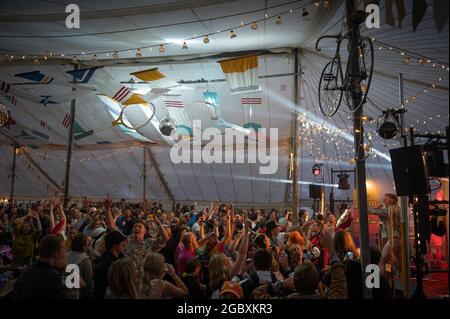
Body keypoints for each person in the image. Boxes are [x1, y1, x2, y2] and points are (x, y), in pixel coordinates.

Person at [14, 235, 68, 299]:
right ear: (56, 253)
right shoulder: (52, 276)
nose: (63, 254)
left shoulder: (26, 272)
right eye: (61, 251)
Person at [369, 193, 402, 277]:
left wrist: (360, 208)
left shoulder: (390, 209)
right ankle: (400, 281)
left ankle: (383, 282)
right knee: (396, 262)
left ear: (392, 200)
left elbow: (372, 211)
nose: (383, 200)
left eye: (386, 199)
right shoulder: (398, 209)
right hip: (398, 239)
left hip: (393, 239)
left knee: (382, 260)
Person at [93, 230, 127, 299]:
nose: (124, 244)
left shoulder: (121, 258)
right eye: (122, 242)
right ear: (115, 245)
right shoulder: (104, 265)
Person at [66, 233, 94, 299]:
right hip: (80, 294)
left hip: (66, 291)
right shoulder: (85, 259)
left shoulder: (66, 255)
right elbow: (89, 281)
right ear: (84, 244)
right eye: (87, 241)